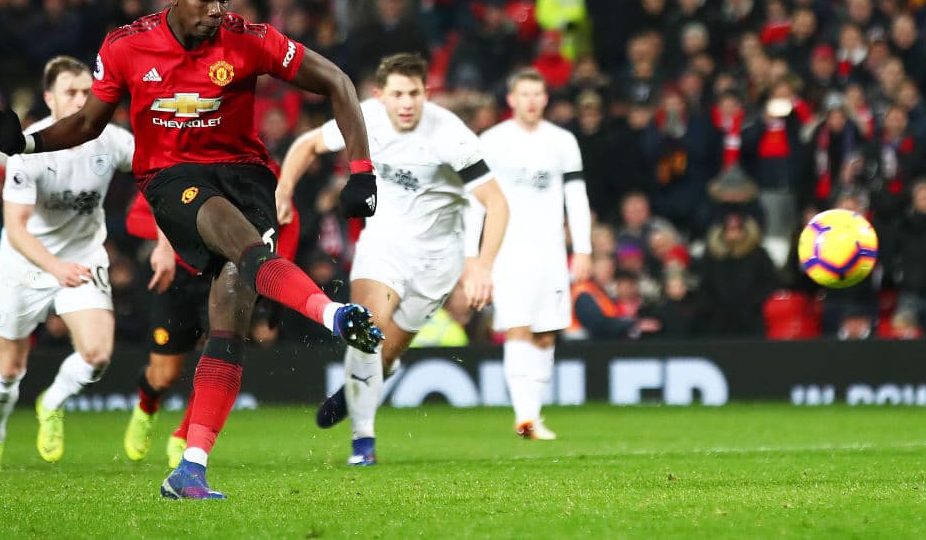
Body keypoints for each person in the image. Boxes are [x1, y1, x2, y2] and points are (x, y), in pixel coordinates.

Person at [0, 0, 383, 499]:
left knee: (231, 314)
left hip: (246, 175)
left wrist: (362, 170)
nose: (216, 10)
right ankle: (332, 314)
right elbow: (88, 122)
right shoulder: (127, 46)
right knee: (242, 245)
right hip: (170, 178)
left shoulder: (250, 39)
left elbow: (339, 82)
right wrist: (26, 143)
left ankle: (191, 468)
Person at [275, 53, 509, 466]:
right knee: (365, 330)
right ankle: (363, 442)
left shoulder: (450, 135)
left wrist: (481, 265)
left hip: (438, 261)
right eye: (398, 94)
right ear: (379, 95)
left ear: (425, 93)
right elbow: (307, 144)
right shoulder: (363, 117)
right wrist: (283, 189)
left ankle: (361, 385)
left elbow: (497, 203)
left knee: (385, 353)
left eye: (414, 94)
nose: (406, 103)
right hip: (383, 245)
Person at [0, 55, 134, 474]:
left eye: (87, 92)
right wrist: (55, 267)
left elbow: (158, 171)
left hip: (82, 254)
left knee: (97, 356)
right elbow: (16, 228)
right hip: (25, 260)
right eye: (70, 92)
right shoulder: (26, 149)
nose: (81, 100)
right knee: (9, 366)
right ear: (50, 98)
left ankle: (52, 401)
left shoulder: (112, 140)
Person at [122, 189, 300, 468]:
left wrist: (278, 278)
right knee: (164, 375)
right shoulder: (179, 172)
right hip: (178, 277)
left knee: (217, 355)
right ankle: (147, 405)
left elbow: (288, 221)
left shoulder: (256, 174)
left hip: (225, 275)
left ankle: (184, 436)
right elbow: (135, 219)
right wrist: (183, 231)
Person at [471, 68, 593, 439]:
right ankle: (524, 417)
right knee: (518, 327)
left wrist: (583, 248)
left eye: (537, 94)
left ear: (545, 99)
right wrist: (472, 255)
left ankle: (533, 416)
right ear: (512, 99)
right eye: (524, 94)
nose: (531, 101)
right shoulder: (491, 141)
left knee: (546, 333)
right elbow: (474, 200)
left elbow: (576, 196)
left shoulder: (563, 141)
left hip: (551, 251)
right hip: (508, 249)